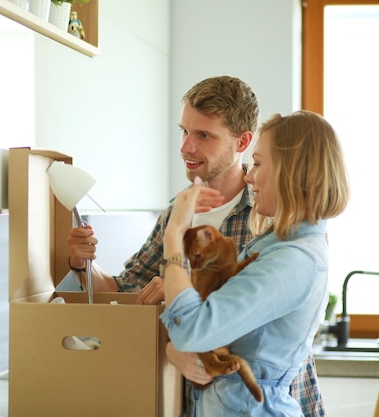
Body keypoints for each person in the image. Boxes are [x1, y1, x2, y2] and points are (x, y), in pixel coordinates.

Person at [67, 76, 327, 416]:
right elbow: (124, 290)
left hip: (264, 401)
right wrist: (81, 263)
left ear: (242, 141)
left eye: (204, 135)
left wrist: (180, 297)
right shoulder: (178, 212)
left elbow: (251, 322)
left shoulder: (273, 214)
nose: (186, 147)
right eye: (184, 131)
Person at [159, 110, 349, 415]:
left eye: (258, 164)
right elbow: (210, 325)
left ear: (292, 172)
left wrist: (174, 238)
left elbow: (193, 330)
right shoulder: (274, 245)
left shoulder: (292, 260)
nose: (249, 176)